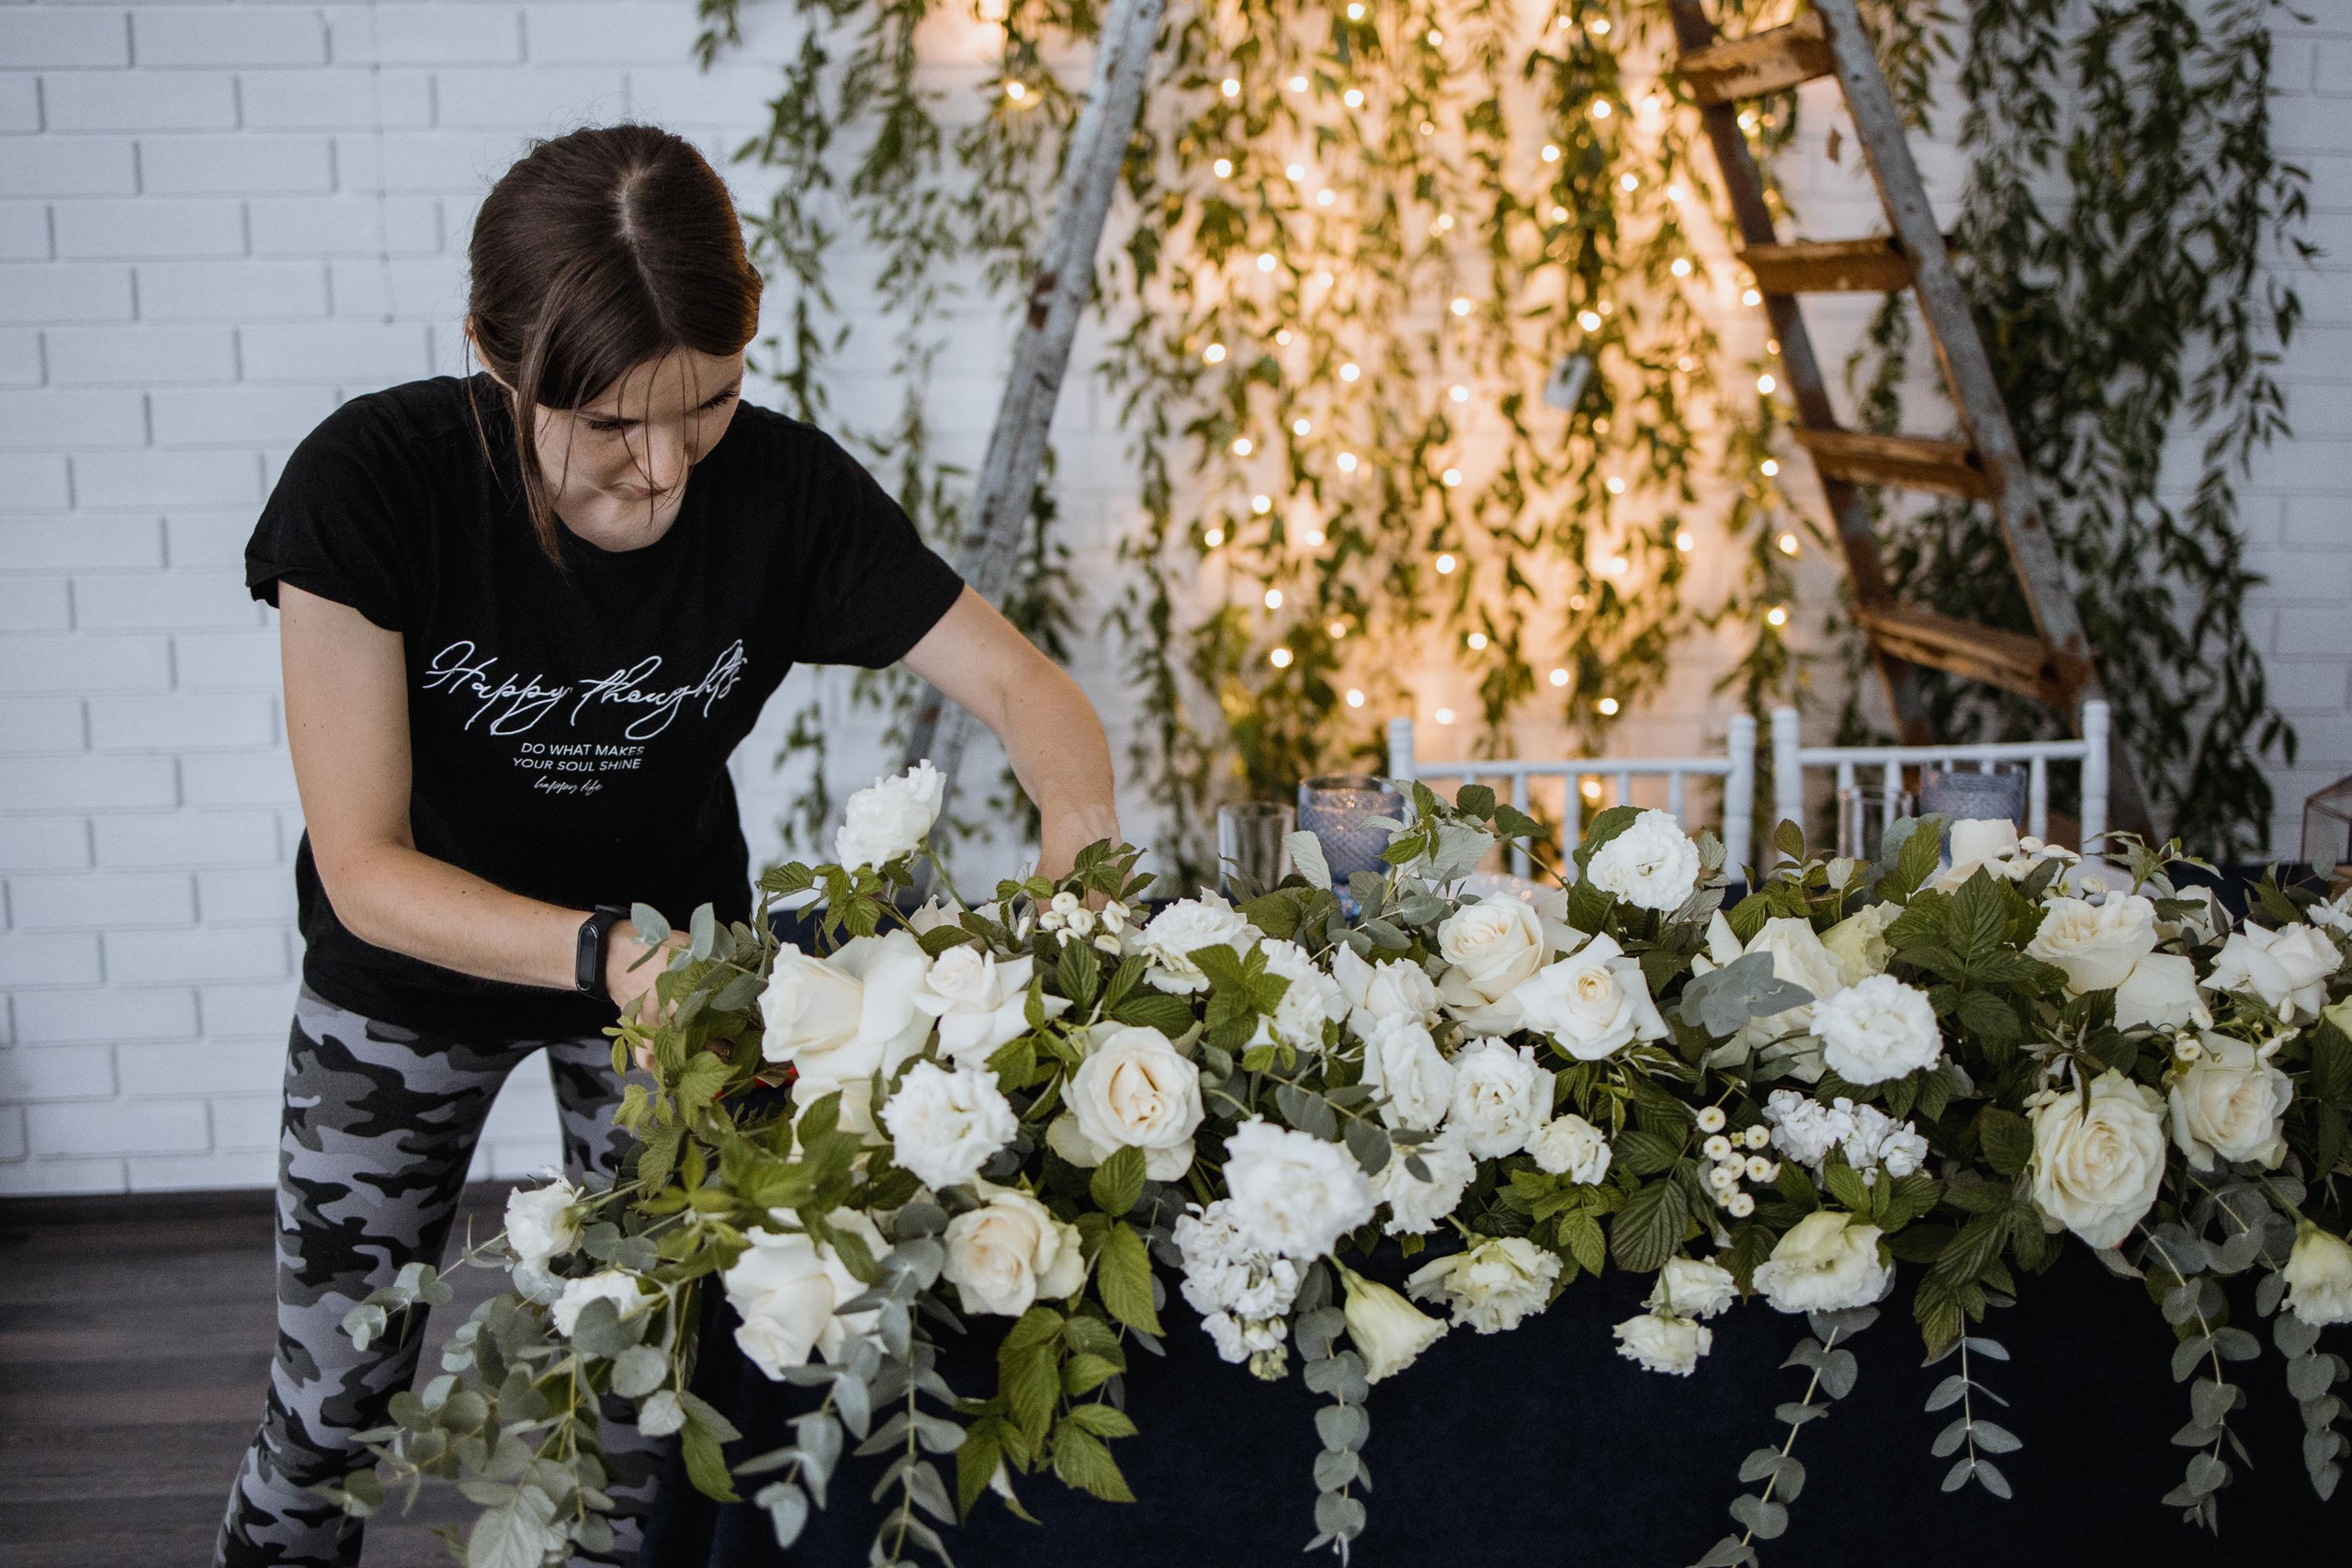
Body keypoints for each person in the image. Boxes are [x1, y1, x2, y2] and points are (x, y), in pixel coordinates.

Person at [216, 122, 1120, 1568]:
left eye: (701, 409)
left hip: (672, 1002)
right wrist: (600, 951)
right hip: (416, 978)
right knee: (337, 1399)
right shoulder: (370, 487)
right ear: (496, 361)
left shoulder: (781, 491)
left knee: (649, 1407)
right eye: (607, 426)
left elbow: (1027, 687)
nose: (661, 473)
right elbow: (365, 865)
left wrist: (1080, 841)